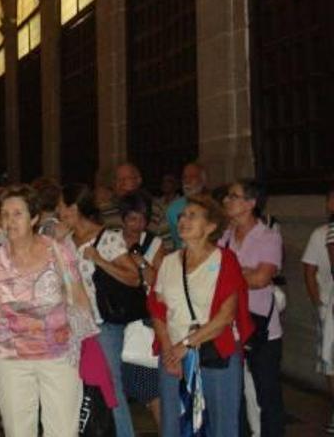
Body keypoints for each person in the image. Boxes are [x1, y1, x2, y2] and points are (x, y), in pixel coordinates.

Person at [0, 184, 94, 436]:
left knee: (63, 431)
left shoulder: (58, 252)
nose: (10, 220)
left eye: (18, 213)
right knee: (18, 431)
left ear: (34, 218)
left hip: (59, 357)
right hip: (10, 360)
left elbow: (79, 299)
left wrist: (88, 347)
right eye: (5, 214)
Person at [147, 194, 253, 436]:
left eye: (192, 216)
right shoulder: (169, 262)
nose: (183, 220)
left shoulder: (225, 260)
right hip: (173, 352)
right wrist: (168, 351)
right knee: (174, 423)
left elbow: (226, 317)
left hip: (214, 350)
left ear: (211, 226)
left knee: (221, 424)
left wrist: (185, 346)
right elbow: (158, 310)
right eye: (182, 216)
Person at [58, 183, 141, 437]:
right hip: (73, 324)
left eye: (61, 208)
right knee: (81, 388)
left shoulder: (108, 238)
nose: (58, 213)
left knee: (110, 386)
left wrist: (100, 260)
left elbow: (133, 277)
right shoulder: (66, 241)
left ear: (73, 208)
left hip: (103, 325)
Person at [221, 179, 284, 437]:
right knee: (233, 393)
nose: (226, 200)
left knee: (267, 395)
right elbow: (214, 274)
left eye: (233, 196)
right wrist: (242, 273)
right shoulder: (224, 237)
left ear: (250, 203)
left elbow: (261, 279)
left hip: (261, 329)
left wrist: (232, 274)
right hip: (230, 326)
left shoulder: (268, 237)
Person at [119, 191, 165, 426]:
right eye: (133, 218)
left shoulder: (153, 243)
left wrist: (140, 261)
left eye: (143, 218)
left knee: (151, 387)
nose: (139, 224)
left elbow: (159, 280)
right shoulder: (111, 239)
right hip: (116, 317)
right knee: (116, 386)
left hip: (142, 319)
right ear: (123, 218)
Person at [302, 184, 334, 434]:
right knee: (330, 364)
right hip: (329, 309)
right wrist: (319, 305)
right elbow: (309, 272)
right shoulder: (322, 233)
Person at [166, 163, 208, 249]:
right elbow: (172, 240)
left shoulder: (214, 205)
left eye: (192, 177)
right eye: (184, 177)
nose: (187, 181)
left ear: (203, 180)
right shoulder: (173, 208)